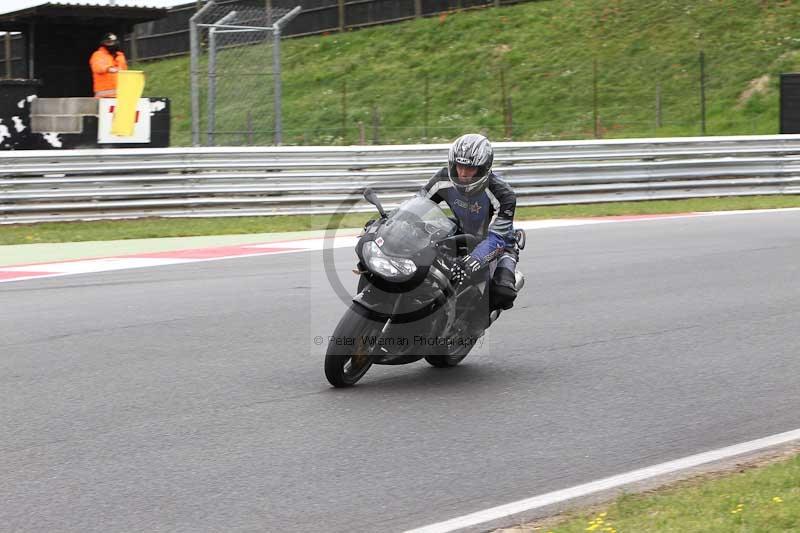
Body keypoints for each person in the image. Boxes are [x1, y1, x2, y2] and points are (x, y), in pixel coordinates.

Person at [421, 133, 519, 323]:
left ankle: (473, 326)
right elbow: (418, 205)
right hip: (461, 233)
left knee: (503, 292)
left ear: (483, 169)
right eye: (459, 166)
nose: (463, 173)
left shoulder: (503, 194)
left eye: (470, 168)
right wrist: (389, 223)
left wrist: (472, 262)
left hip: (499, 244)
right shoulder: (442, 178)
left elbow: (498, 238)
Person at [89, 33, 128, 98]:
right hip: (104, 94)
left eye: (113, 42)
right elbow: (97, 67)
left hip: (120, 94)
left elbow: (124, 71)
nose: (111, 44)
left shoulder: (120, 56)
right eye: (108, 42)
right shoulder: (98, 55)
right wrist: (108, 69)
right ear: (103, 43)